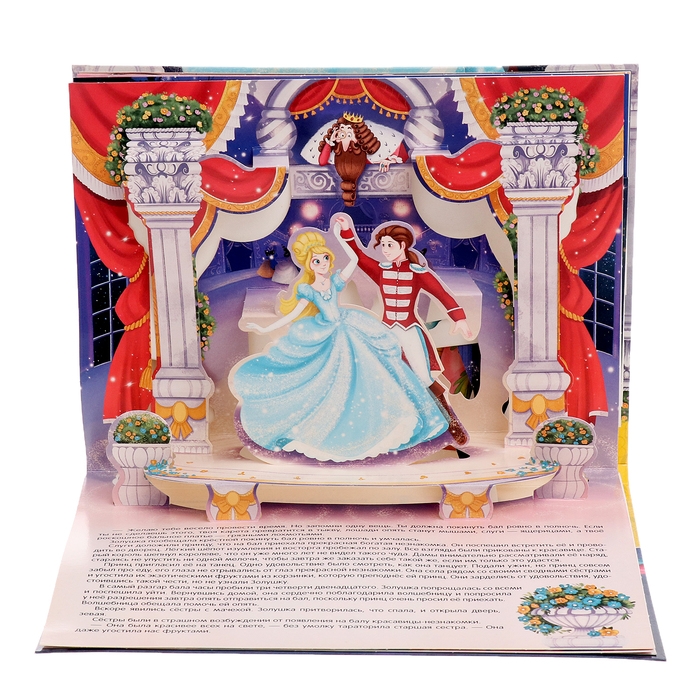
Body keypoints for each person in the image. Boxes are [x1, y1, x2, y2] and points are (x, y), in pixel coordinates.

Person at [230, 229, 449, 462]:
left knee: (371, 373)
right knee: (329, 381)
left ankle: (384, 419)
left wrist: (341, 235)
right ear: (308, 264)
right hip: (327, 335)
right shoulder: (308, 289)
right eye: (317, 260)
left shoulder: (334, 281)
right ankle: (330, 425)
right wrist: (264, 328)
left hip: (349, 329)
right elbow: (292, 314)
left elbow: (354, 260)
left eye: (325, 258)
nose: (323, 263)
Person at [333, 213, 472, 445]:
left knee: (423, 377)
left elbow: (441, 293)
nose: (385, 250)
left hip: (409, 332)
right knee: (384, 378)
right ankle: (391, 430)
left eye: (390, 245)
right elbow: (358, 255)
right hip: (386, 334)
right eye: (383, 245)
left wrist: (459, 318)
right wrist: (347, 229)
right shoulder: (381, 270)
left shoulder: (418, 272)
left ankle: (450, 424)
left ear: (403, 245)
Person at [318, 113, 404, 206]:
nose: (344, 132)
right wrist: (330, 142)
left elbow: (392, 155)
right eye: (342, 128)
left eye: (349, 129)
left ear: (358, 136)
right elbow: (322, 161)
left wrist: (388, 161)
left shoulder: (361, 153)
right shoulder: (337, 149)